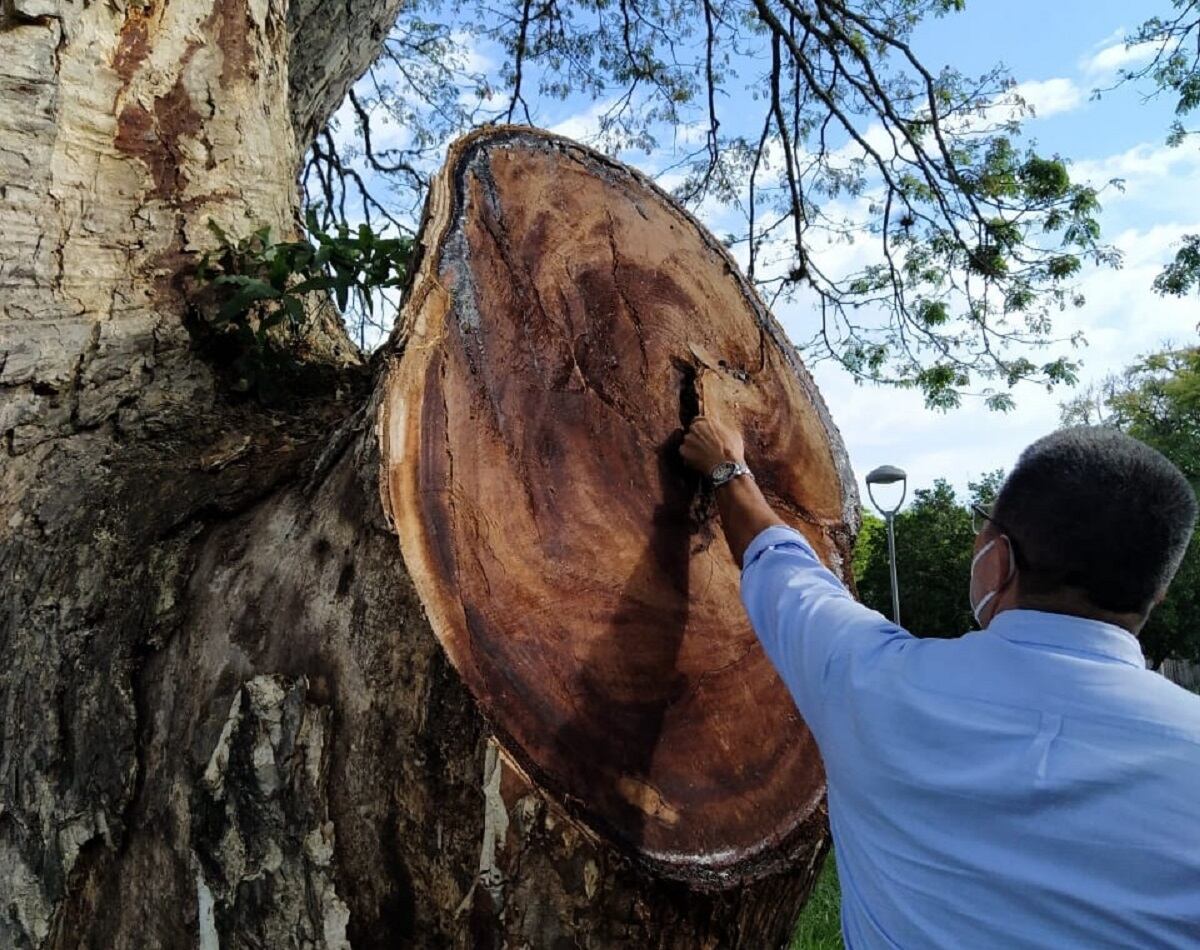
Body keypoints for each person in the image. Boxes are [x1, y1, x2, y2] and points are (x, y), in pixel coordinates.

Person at [680, 418, 1200, 949]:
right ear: (1156, 594)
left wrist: (728, 469)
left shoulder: (874, 684)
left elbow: (786, 575)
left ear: (996, 558)